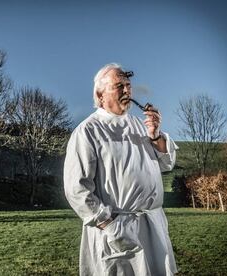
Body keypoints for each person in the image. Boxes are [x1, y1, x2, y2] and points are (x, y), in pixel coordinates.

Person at [64, 63, 178, 276]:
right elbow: (76, 189)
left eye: (128, 85)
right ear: (100, 94)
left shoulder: (140, 125)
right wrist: (109, 224)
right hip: (116, 229)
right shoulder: (87, 131)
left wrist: (155, 135)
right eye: (119, 86)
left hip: (152, 225)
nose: (127, 91)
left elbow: (166, 164)